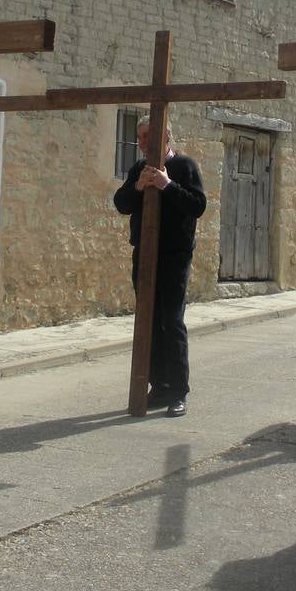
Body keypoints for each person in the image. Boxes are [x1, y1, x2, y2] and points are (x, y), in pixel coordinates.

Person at [113, 116, 206, 417]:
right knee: (148, 322)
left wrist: (167, 185)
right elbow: (121, 203)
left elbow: (197, 205)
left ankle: (179, 391)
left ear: (165, 136)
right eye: (139, 136)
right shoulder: (138, 169)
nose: (141, 141)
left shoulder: (185, 166)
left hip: (174, 256)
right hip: (144, 255)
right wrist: (138, 187)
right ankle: (159, 385)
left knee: (171, 321)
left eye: (148, 136)